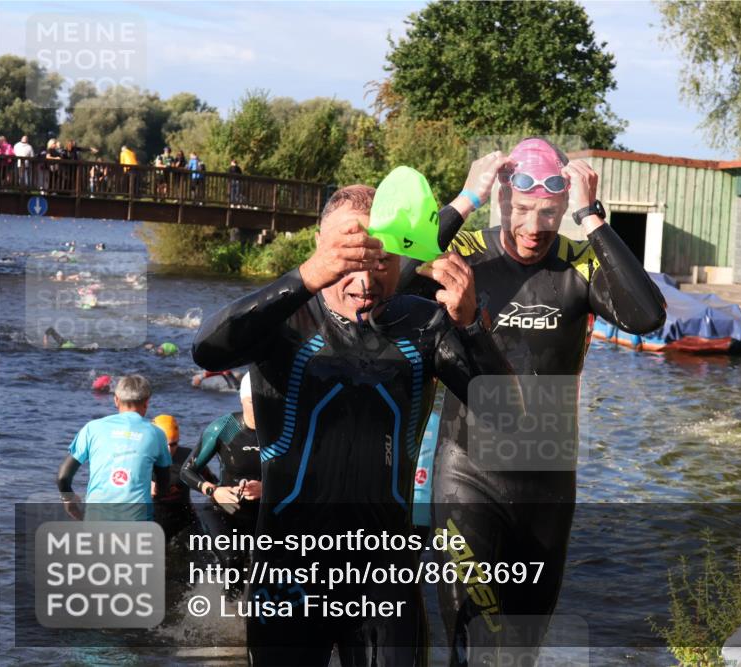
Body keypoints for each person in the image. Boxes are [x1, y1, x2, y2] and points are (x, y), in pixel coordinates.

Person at [192, 184, 515, 666]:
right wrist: (304, 278)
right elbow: (207, 349)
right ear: (321, 247)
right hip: (288, 571)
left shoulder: (424, 325)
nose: (365, 279)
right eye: (349, 254)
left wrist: (470, 326)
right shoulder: (283, 322)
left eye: (381, 260)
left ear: (400, 259)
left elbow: (509, 421)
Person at [402, 138, 667, 666]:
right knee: (469, 639)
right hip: (467, 470)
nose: (533, 227)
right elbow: (400, 285)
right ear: (503, 201)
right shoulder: (467, 255)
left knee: (519, 650)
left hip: (547, 478)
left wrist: (593, 218)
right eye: (522, 210)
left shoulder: (577, 265)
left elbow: (647, 316)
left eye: (549, 213)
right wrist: (463, 201)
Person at [180, 373, 261, 584]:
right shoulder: (224, 428)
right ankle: (228, 612)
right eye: (253, 402)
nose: (259, 408)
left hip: (264, 512)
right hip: (224, 510)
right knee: (233, 561)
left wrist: (266, 488)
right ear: (242, 399)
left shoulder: (281, 430)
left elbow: (304, 477)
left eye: (263, 401)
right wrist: (214, 490)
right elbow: (187, 471)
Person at [56, 375, 171, 521]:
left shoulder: (92, 428)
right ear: (147, 402)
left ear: (116, 399)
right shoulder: (156, 434)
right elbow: (163, 484)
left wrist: (68, 499)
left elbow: (62, 477)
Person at [152, 414, 206, 541]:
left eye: (173, 444)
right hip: (153, 522)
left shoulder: (187, 456)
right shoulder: (141, 459)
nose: (169, 450)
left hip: (185, 520)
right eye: (164, 445)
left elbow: (211, 481)